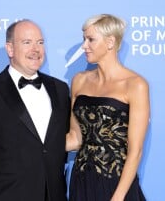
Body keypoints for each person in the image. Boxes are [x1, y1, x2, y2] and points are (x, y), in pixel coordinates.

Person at [0, 19, 71, 201]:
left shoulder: (60, 88)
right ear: (10, 49)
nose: (36, 49)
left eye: (40, 42)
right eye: (27, 42)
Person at [66, 14, 150, 201]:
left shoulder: (135, 84)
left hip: (117, 183)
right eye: (84, 39)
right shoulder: (79, 81)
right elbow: (75, 138)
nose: (84, 46)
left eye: (91, 40)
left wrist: (118, 198)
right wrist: (32, 145)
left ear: (110, 42)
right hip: (82, 181)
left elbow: (135, 150)